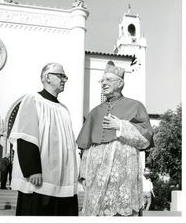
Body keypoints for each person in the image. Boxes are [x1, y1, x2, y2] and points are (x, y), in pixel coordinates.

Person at [77, 61, 154, 216]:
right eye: (102, 81)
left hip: (123, 177)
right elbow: (87, 147)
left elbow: (146, 138)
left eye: (108, 80)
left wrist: (121, 126)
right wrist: (84, 174)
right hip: (96, 176)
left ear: (120, 83)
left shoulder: (135, 106)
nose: (103, 83)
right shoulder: (94, 112)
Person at [9, 63, 79, 216]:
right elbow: (26, 136)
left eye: (65, 77)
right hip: (40, 179)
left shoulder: (64, 109)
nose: (64, 80)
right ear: (47, 77)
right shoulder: (33, 100)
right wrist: (32, 170)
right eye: (61, 75)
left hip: (63, 179)